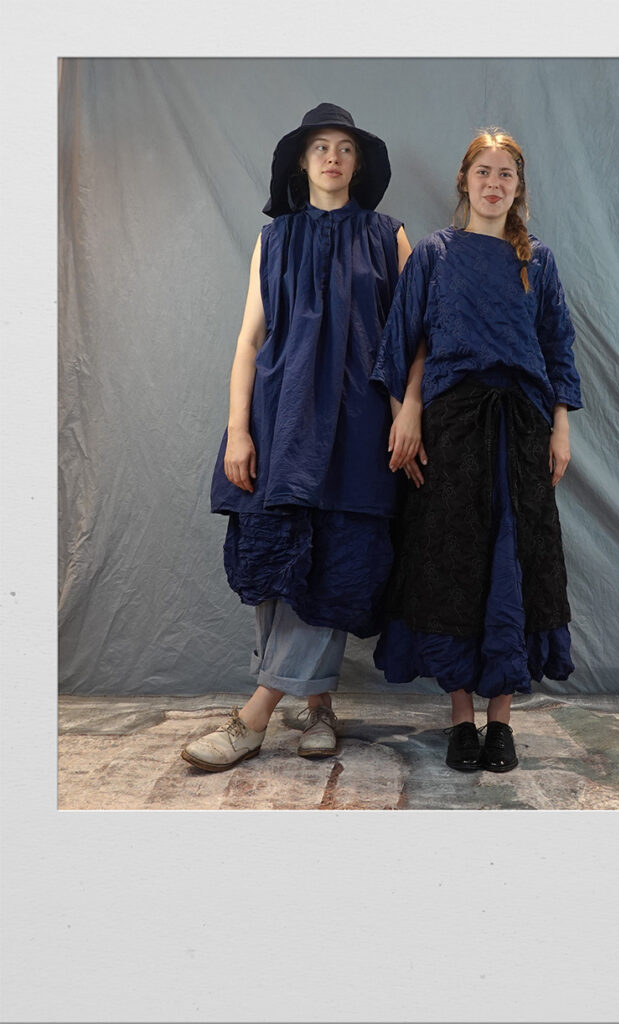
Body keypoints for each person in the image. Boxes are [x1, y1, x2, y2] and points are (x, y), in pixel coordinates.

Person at [182, 103, 421, 772]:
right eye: (320, 147)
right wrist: (238, 429)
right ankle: (317, 705)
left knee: (338, 560)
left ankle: (254, 717)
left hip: (358, 424)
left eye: (344, 147)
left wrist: (409, 412)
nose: (333, 157)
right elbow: (249, 339)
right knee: (278, 563)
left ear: (359, 162)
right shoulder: (275, 239)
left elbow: (415, 337)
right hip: (280, 420)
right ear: (301, 161)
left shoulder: (389, 236)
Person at [371, 128, 583, 773]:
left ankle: (502, 722)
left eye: (505, 175)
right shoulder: (434, 254)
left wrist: (561, 427)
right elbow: (402, 341)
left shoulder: (537, 261)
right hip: (451, 430)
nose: (493, 184)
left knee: (512, 563)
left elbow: (557, 348)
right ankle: (461, 720)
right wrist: (407, 415)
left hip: (521, 430)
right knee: (453, 566)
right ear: (464, 180)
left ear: (518, 189)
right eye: (483, 172)